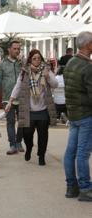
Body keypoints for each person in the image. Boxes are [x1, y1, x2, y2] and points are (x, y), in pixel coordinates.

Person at [6, 49, 58, 166]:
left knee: (43, 136)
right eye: (34, 58)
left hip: (43, 110)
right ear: (30, 60)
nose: (37, 60)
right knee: (27, 135)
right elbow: (17, 87)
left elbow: (55, 84)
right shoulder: (25, 72)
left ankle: (41, 156)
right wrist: (10, 101)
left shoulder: (46, 70)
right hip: (29, 111)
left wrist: (48, 77)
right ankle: (29, 148)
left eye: (39, 58)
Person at [63, 31, 92, 201]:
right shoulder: (88, 67)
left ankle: (71, 186)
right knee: (83, 153)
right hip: (86, 114)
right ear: (88, 45)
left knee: (71, 152)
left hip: (73, 114)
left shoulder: (71, 63)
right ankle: (86, 188)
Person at [0, 40, 24, 155]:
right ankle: (12, 145)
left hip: (22, 97)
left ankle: (19, 141)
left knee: (22, 122)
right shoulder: (2, 64)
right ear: (9, 49)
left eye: (18, 49)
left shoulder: (22, 63)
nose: (17, 51)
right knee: (10, 121)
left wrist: (24, 63)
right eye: (15, 48)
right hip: (7, 98)